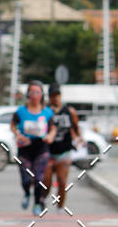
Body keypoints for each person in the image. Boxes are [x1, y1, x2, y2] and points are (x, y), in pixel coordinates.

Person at [11, 81, 56, 216]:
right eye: (32, 92)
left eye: (37, 92)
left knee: (38, 178)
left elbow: (53, 128)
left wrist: (50, 136)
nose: (34, 95)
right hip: (25, 147)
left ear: (42, 94)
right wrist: (18, 134)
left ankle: (37, 203)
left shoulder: (47, 112)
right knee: (26, 178)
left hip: (41, 147)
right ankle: (26, 193)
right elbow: (13, 125)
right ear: (28, 94)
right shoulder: (21, 111)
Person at [44, 83, 82, 212]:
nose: (55, 98)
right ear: (49, 97)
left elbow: (76, 128)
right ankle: (42, 200)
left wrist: (78, 138)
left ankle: (60, 207)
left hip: (64, 151)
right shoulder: (45, 111)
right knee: (46, 181)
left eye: (57, 95)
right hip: (48, 151)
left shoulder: (69, 111)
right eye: (53, 95)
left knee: (61, 181)